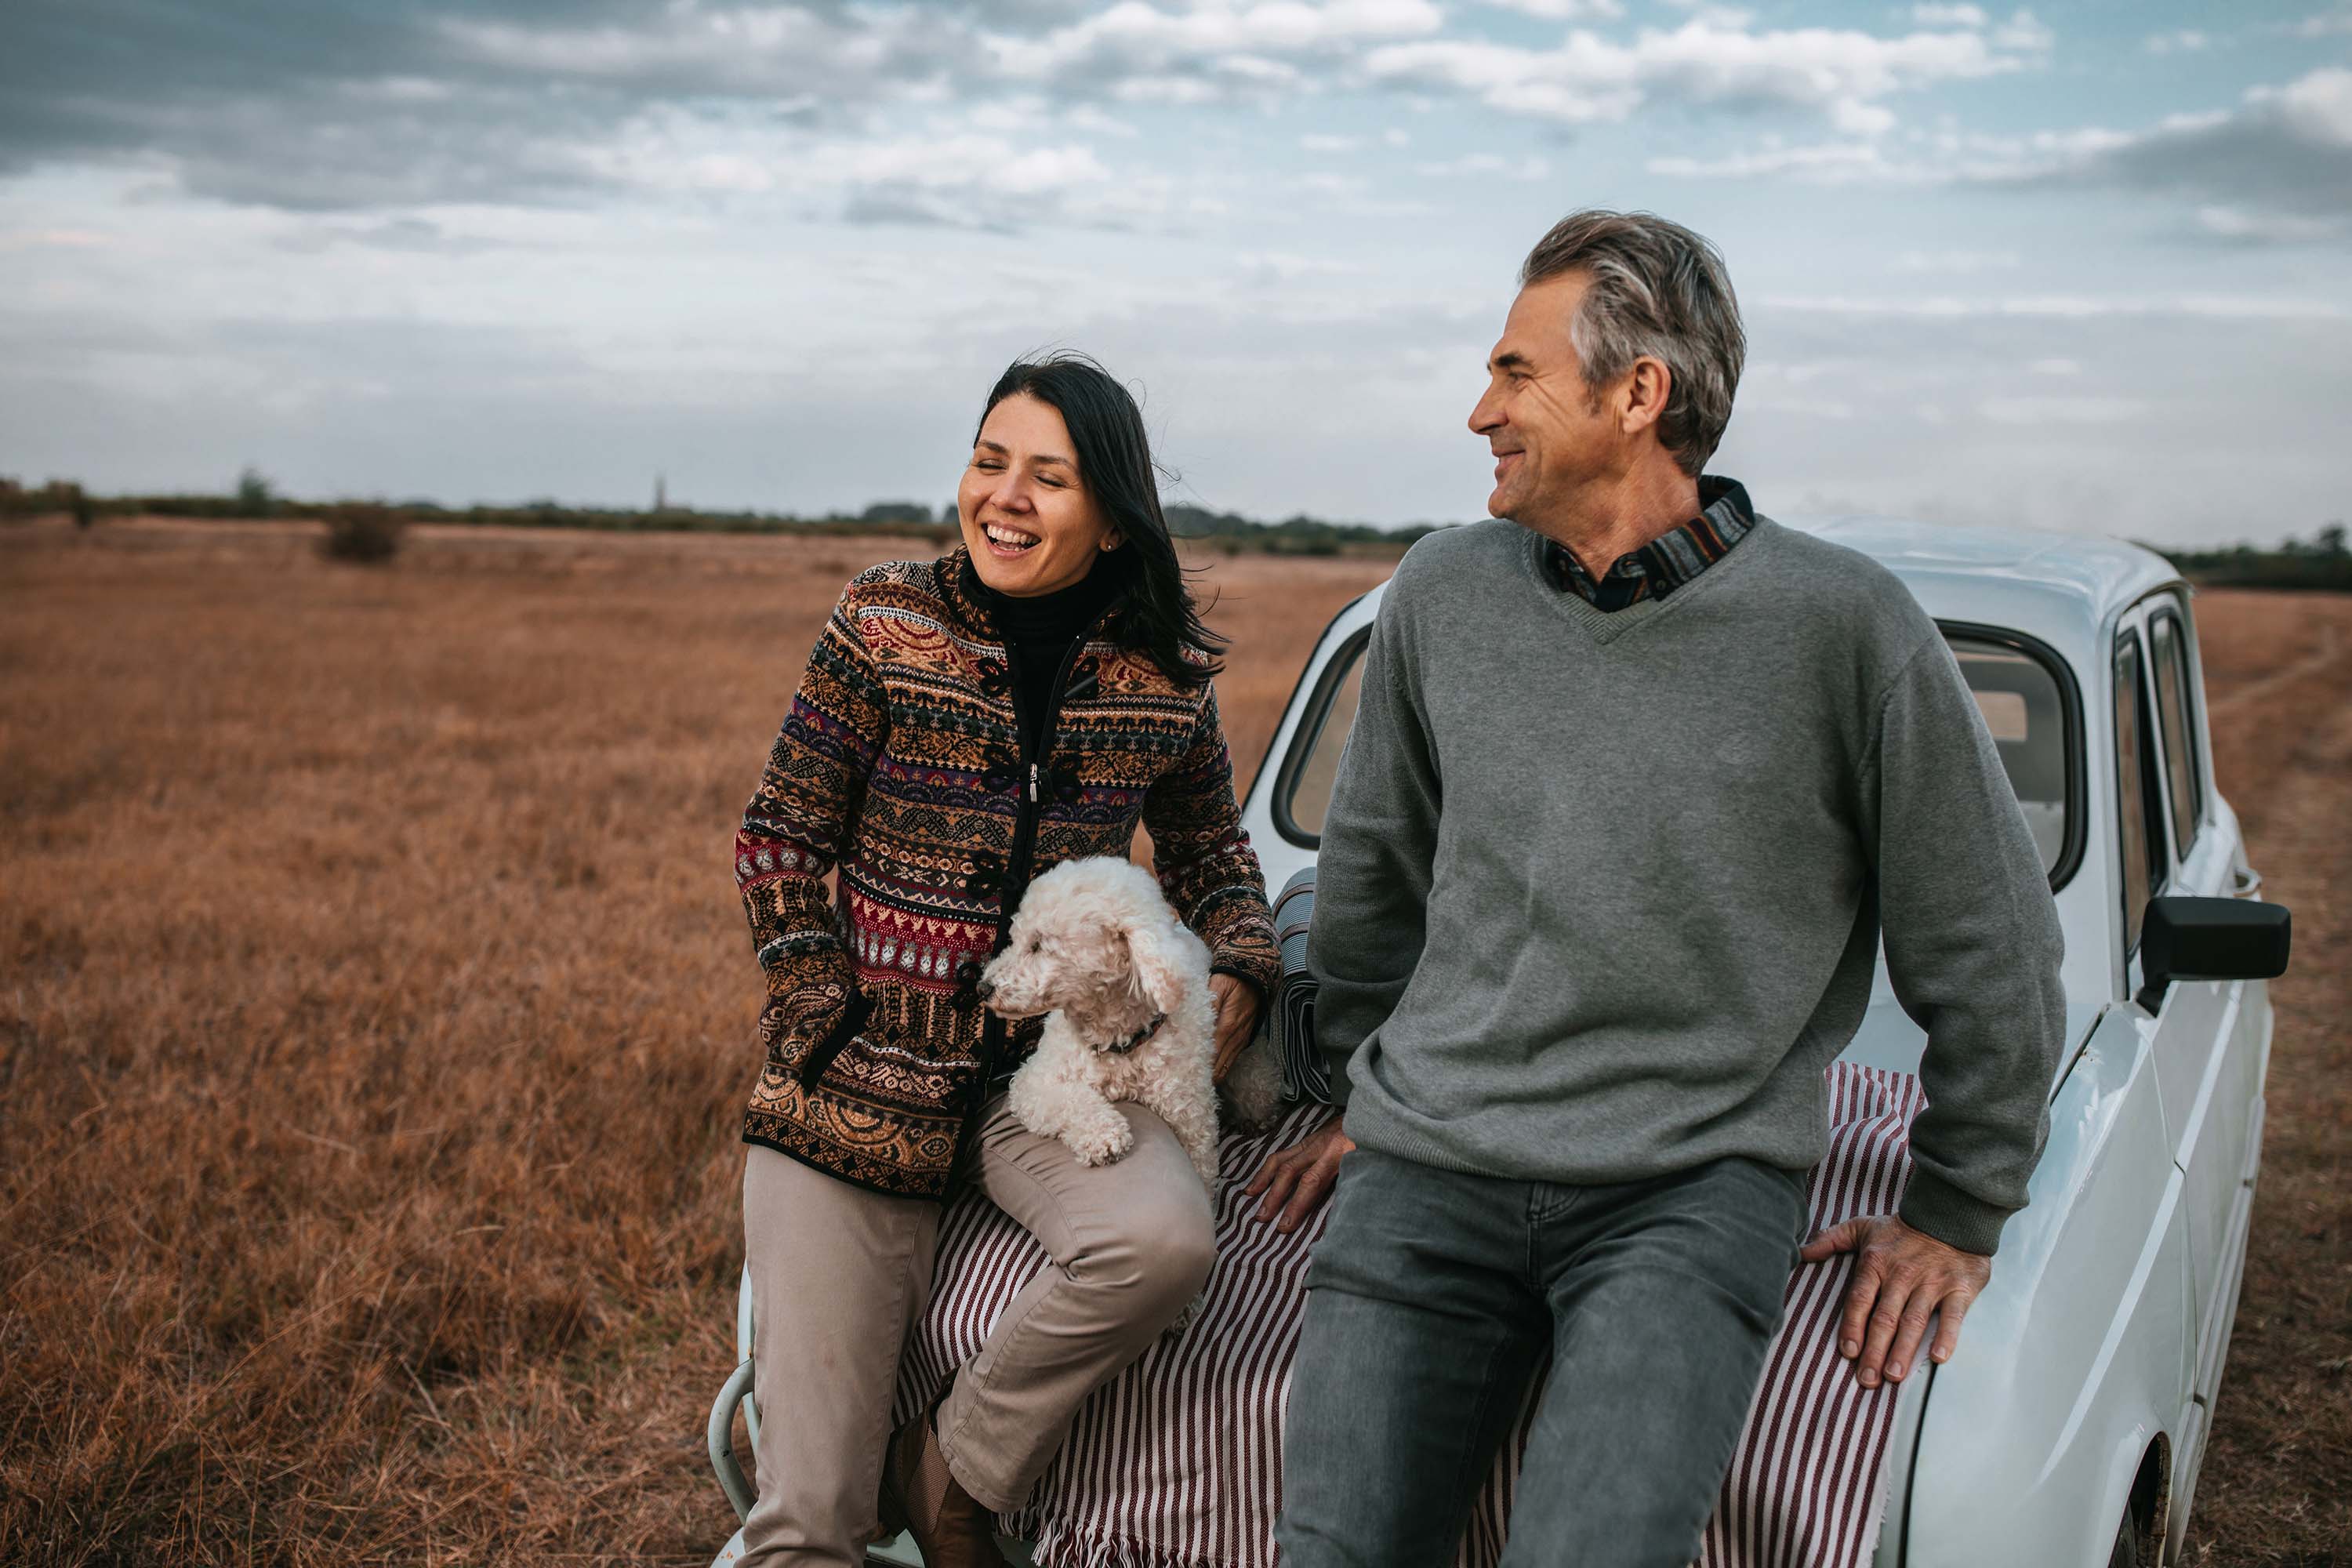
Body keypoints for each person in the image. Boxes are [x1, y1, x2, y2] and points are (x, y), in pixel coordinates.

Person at [1258, 210, 2067, 1566]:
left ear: (1640, 395)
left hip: (1688, 1194)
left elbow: (1987, 938)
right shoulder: (1441, 593)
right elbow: (1374, 881)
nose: (1480, 412)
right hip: (1430, 1178)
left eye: (1516, 374)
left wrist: (1955, 1210)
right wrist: (1358, 1090)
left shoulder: (1846, 626)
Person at [734, 354, 1278, 1567]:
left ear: (1111, 513)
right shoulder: (882, 621)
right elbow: (778, 838)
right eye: (990, 463)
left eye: (1049, 476)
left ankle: (953, 1469)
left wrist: (1242, 961)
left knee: (1165, 1245)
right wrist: (826, 1015)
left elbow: (1216, 861)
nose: (1005, 498)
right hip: (856, 1102)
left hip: (1051, 1083)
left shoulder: (1163, 675)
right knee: (811, 1527)